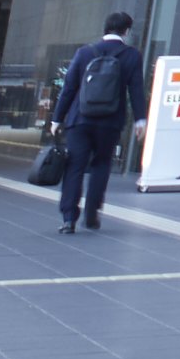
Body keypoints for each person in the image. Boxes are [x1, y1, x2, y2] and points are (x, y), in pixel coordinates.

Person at [48, 13, 139, 233]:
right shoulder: (131, 56)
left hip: (80, 119)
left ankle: (69, 218)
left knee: (75, 166)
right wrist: (141, 119)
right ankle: (91, 214)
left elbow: (69, 88)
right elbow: (136, 90)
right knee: (101, 165)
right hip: (109, 121)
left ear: (104, 29)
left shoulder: (85, 52)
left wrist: (57, 118)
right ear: (126, 31)